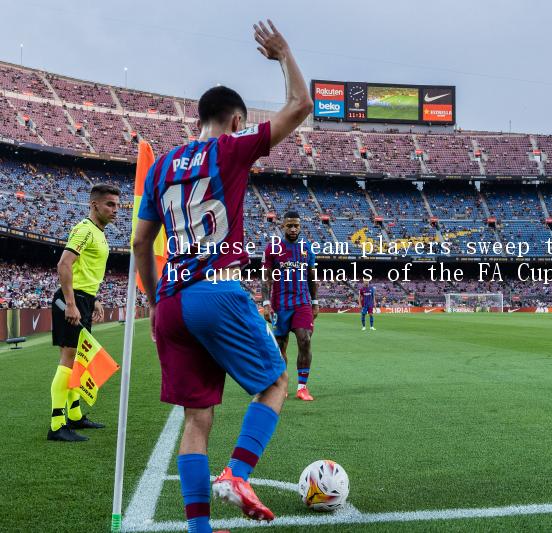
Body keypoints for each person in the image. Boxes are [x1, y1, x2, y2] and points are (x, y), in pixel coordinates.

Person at [133, 20, 312, 530]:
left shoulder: (163, 165)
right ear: (235, 120)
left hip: (170, 301)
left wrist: (151, 300)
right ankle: (237, 472)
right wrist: (283, 54)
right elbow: (300, 105)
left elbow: (142, 242)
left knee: (197, 417)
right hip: (215, 289)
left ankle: (199, 528)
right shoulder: (230, 149)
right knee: (276, 381)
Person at [48, 183, 119, 442]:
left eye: (117, 206)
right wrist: (70, 302)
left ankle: (75, 415)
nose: (115, 210)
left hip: (84, 299)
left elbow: (85, 271)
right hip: (73, 300)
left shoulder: (99, 233)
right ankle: (57, 424)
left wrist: (94, 299)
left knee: (80, 359)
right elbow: (64, 264)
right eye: (110, 204)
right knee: (68, 360)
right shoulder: (84, 230)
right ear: (94, 204)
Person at [262, 211, 318, 401]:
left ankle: (302, 387)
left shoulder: (307, 247)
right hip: (280, 304)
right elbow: (266, 278)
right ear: (283, 226)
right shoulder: (273, 248)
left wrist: (315, 302)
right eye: (289, 225)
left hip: (302, 302)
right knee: (280, 346)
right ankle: (282, 385)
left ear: (300, 226)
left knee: (305, 340)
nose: (293, 229)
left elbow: (312, 277)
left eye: (296, 225)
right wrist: (266, 303)